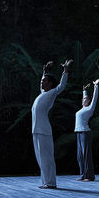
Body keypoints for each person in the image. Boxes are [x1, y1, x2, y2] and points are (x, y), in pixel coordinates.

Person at [32, 59, 71, 189]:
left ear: (50, 84)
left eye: (44, 80)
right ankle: (45, 182)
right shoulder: (42, 94)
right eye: (42, 80)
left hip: (44, 130)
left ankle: (51, 182)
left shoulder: (51, 93)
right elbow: (41, 83)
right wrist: (44, 71)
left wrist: (65, 70)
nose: (42, 82)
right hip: (36, 130)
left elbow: (61, 86)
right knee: (40, 158)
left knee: (47, 157)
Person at [75, 79, 99, 181]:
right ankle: (83, 174)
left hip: (85, 133)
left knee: (86, 155)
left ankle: (90, 176)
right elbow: (84, 97)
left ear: (88, 101)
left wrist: (96, 87)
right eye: (83, 99)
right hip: (78, 133)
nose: (83, 100)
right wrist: (84, 90)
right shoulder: (81, 109)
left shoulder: (89, 108)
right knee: (80, 156)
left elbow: (95, 98)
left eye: (85, 99)